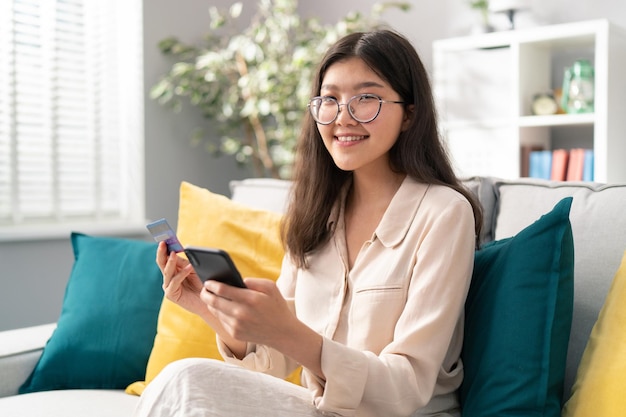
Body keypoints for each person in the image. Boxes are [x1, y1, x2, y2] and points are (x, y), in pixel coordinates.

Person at [133, 28, 483, 417]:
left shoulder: (444, 213)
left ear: (409, 114)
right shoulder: (318, 211)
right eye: (330, 99)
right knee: (187, 382)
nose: (343, 117)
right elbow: (272, 362)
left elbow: (407, 388)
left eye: (365, 98)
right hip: (318, 409)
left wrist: (288, 330)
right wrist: (207, 307)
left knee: (188, 381)